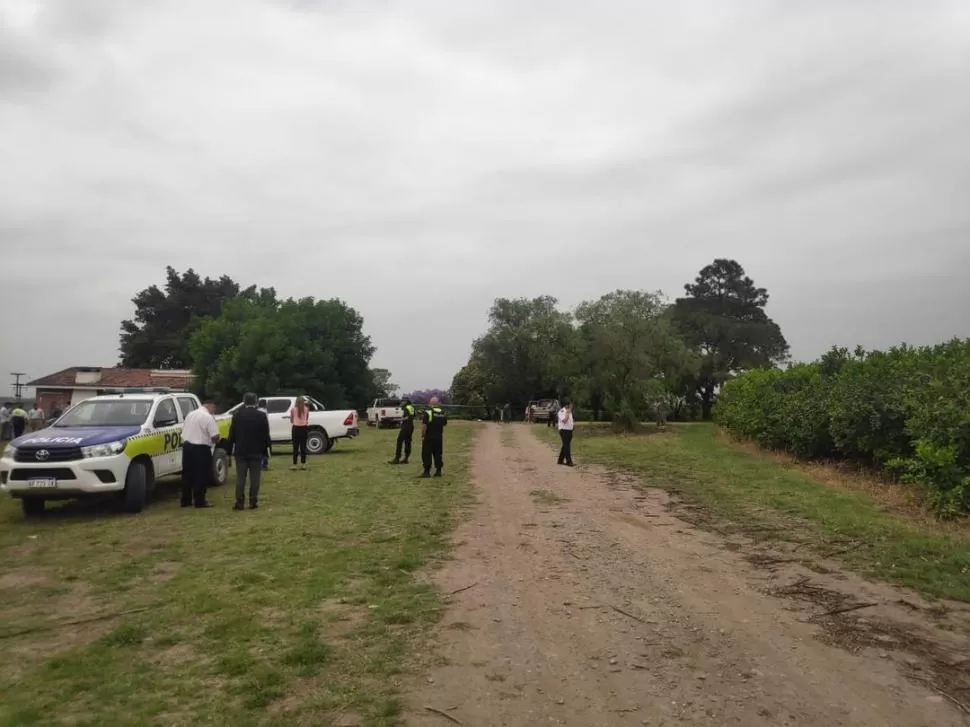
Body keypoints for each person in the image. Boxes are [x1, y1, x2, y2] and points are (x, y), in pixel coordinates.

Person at [227, 392, 271, 511]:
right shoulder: (261, 416)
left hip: (241, 451)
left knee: (240, 478)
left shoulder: (237, 415)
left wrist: (229, 451)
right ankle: (253, 501)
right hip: (256, 451)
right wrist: (266, 451)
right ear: (256, 401)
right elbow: (266, 435)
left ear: (244, 402)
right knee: (255, 477)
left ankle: (239, 502)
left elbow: (232, 435)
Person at [181, 399, 221, 509]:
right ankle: (199, 501)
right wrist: (217, 441)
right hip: (201, 448)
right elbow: (215, 436)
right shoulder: (208, 417)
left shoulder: (190, 414)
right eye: (214, 408)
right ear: (210, 406)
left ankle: (185, 500)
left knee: (187, 474)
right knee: (201, 475)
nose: (214, 411)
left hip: (187, 446)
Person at [419, 396, 447, 478]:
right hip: (439, 437)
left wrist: (423, 435)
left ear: (430, 404)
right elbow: (444, 423)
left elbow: (424, 425)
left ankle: (426, 472)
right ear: (438, 403)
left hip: (429, 437)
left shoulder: (428, 412)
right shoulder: (442, 413)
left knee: (426, 454)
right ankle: (438, 471)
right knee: (438, 454)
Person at [389, 397, 416, 465]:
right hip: (411, 426)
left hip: (406, 426)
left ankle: (397, 458)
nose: (401, 403)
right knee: (408, 442)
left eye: (402, 401)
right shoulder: (411, 407)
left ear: (406, 402)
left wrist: (397, 420)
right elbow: (413, 416)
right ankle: (406, 458)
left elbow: (407, 417)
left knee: (399, 441)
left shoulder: (406, 408)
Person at [290, 396, 310, 470]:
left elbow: (291, 420)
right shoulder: (306, 409)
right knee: (303, 447)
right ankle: (303, 464)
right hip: (304, 428)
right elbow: (307, 418)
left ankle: (294, 464)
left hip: (296, 428)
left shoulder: (293, 409)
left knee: (295, 447)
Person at [556, 400, 575, 467]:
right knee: (567, 446)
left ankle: (560, 460)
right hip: (563, 430)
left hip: (569, 430)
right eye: (571, 405)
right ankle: (569, 461)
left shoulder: (570, 412)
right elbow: (564, 421)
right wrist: (567, 413)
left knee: (565, 445)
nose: (572, 406)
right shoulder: (561, 411)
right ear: (567, 405)